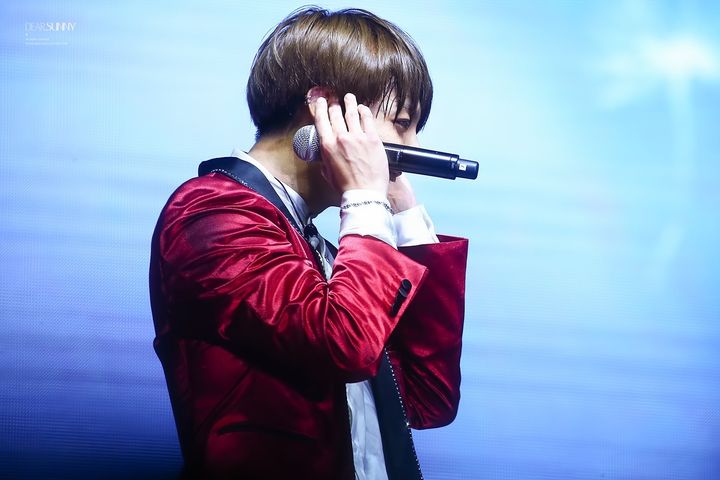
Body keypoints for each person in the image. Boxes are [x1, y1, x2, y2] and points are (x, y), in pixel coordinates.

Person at [149, 6, 468, 480]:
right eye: (402, 123)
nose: (413, 147)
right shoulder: (210, 214)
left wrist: (405, 214)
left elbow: (428, 398)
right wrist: (365, 197)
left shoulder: (330, 255)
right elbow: (344, 344)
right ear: (327, 109)